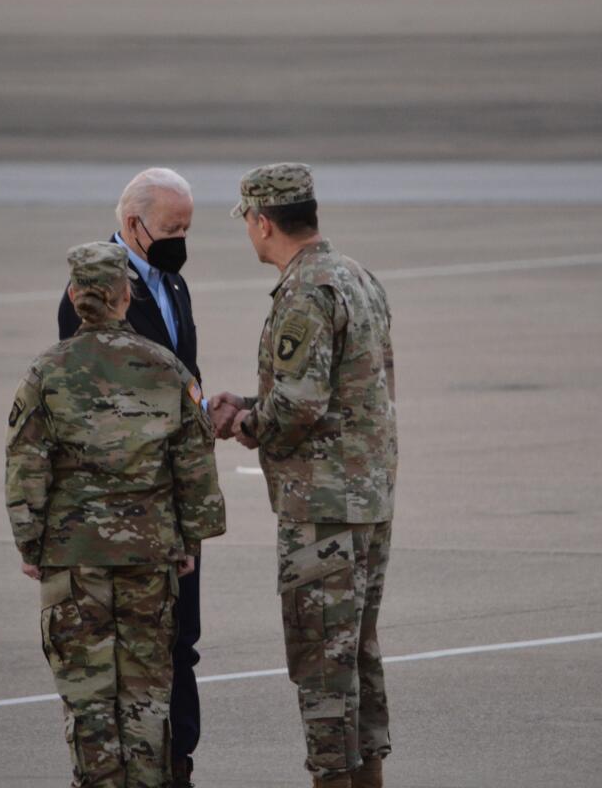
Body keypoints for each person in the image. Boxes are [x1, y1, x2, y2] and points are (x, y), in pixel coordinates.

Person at [9, 242, 226, 788]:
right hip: (149, 557)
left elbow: (26, 465)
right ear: (126, 296)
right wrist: (190, 541)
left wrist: (30, 543)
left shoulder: (46, 371)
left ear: (73, 296)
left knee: (88, 702)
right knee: (146, 697)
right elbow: (195, 465)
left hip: (72, 560)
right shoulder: (166, 368)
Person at [210, 164, 398, 788]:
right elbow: (345, 391)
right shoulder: (356, 277)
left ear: (263, 222)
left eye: (247, 222)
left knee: (322, 663)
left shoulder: (304, 292)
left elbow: (298, 405)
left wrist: (245, 422)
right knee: (356, 653)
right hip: (366, 497)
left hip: (322, 508)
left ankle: (333, 778)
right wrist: (253, 404)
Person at [56, 167, 208, 787]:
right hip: (129, 511)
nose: (181, 240)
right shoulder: (91, 293)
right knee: (127, 651)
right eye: (171, 228)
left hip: (175, 496)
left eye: (187, 228)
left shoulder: (172, 283)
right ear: (132, 223)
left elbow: (183, 375)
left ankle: (178, 761)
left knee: (182, 639)